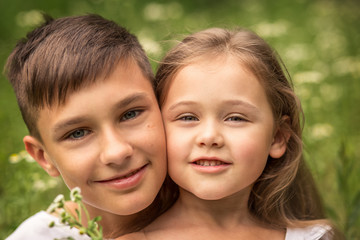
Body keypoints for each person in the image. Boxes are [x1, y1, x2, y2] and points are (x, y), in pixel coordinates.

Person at [119, 28, 342, 239]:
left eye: (235, 118)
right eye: (188, 117)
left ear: (277, 137)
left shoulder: (316, 236)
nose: (209, 137)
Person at [4, 14, 176, 239]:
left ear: (162, 104)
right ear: (43, 156)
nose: (117, 152)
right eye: (78, 133)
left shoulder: (225, 208)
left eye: (130, 114)